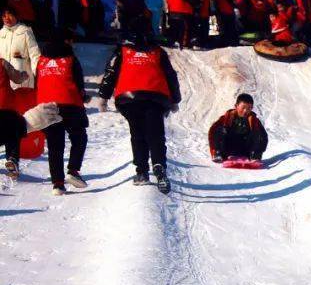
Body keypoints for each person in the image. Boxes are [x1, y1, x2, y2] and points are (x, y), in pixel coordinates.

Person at [97, 30, 182, 192]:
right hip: (156, 96)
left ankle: (142, 172)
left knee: (138, 134)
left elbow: (111, 73)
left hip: (129, 97)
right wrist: (175, 99)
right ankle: (158, 165)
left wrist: (103, 96)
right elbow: (171, 76)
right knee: (155, 134)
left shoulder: (122, 51)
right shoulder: (158, 52)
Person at [36, 30, 88, 195]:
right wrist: (83, 97)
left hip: (46, 105)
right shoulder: (71, 59)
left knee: (54, 146)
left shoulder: (41, 61)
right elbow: (78, 83)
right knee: (79, 137)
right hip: (69, 104)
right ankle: (73, 170)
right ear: (66, 41)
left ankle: (57, 184)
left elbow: (37, 82)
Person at [208, 93, 268, 162]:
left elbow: (264, 136)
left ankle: (254, 156)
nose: (245, 111)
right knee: (219, 128)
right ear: (236, 106)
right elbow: (212, 132)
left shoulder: (254, 120)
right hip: (228, 148)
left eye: (249, 108)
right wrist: (214, 150)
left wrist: (259, 152)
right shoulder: (227, 117)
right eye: (243, 107)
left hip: (246, 150)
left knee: (257, 132)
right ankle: (218, 154)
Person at [0, 56, 28, 181]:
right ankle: (12, 159)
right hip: (5, 104)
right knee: (14, 130)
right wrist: (24, 75)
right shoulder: (2, 63)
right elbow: (17, 78)